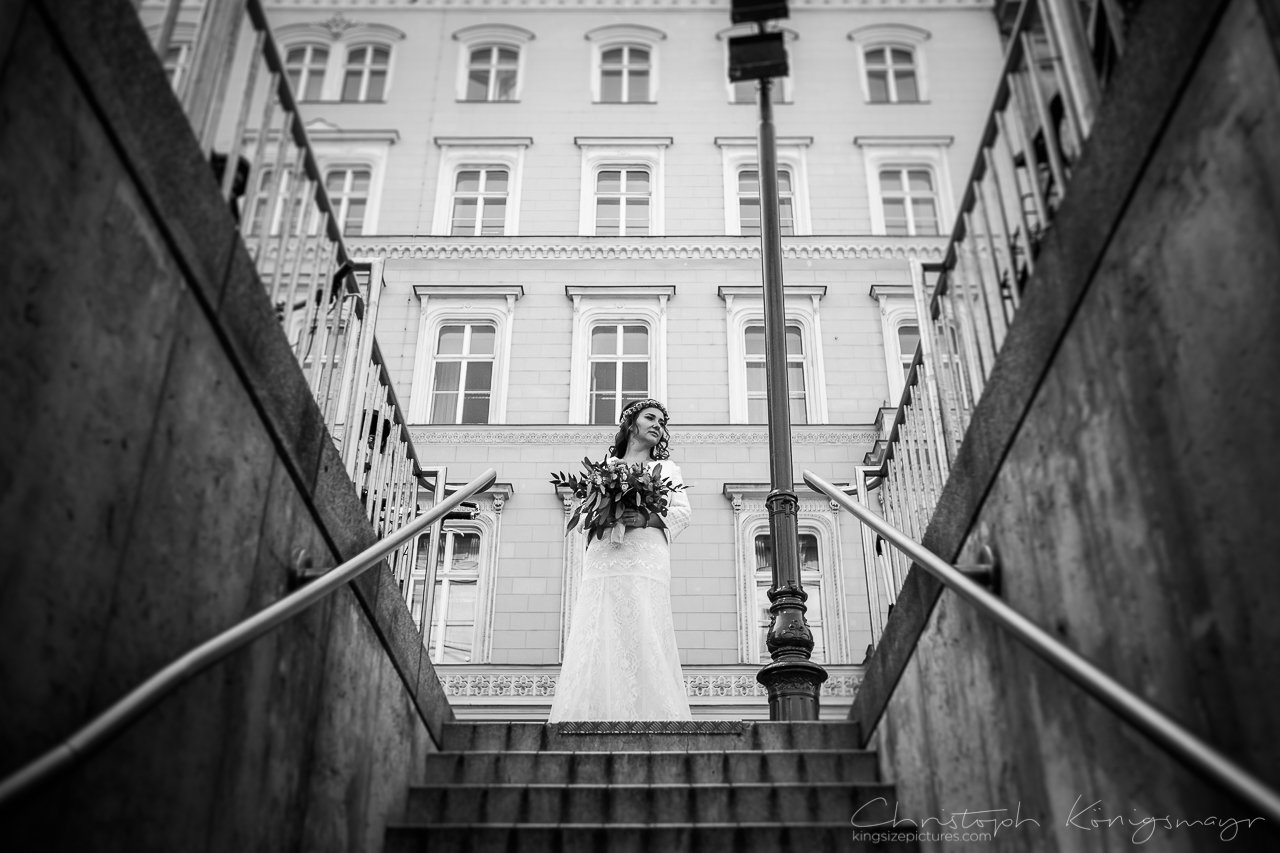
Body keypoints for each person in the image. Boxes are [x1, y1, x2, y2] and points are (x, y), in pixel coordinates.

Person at [548, 399, 693, 721]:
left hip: (645, 554)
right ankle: (592, 711)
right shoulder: (604, 468)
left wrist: (645, 519)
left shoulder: (668, 470)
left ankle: (652, 713)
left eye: (662, 422)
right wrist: (604, 513)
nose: (658, 426)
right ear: (631, 424)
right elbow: (585, 514)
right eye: (650, 418)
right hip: (605, 555)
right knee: (600, 621)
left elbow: (683, 513)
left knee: (644, 619)